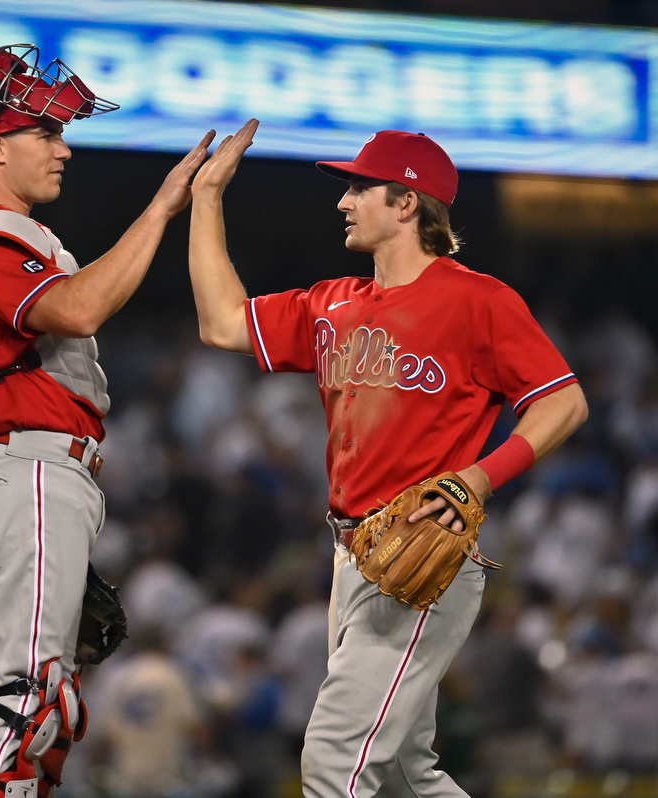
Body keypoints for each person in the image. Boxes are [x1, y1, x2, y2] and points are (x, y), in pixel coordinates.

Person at [186, 120, 589, 798]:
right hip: (351, 557)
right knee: (405, 773)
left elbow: (564, 403)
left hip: (420, 560)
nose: (344, 202)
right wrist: (206, 198)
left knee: (334, 759)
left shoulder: (477, 300)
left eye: (359, 189)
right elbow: (221, 322)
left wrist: (480, 476)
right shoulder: (333, 303)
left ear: (407, 203)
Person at [0, 44, 213, 797]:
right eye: (46, 133)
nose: (65, 147)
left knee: (42, 704)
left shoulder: (1, 235)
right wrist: (161, 208)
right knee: (22, 698)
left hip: (34, 471)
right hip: (25, 468)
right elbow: (79, 306)